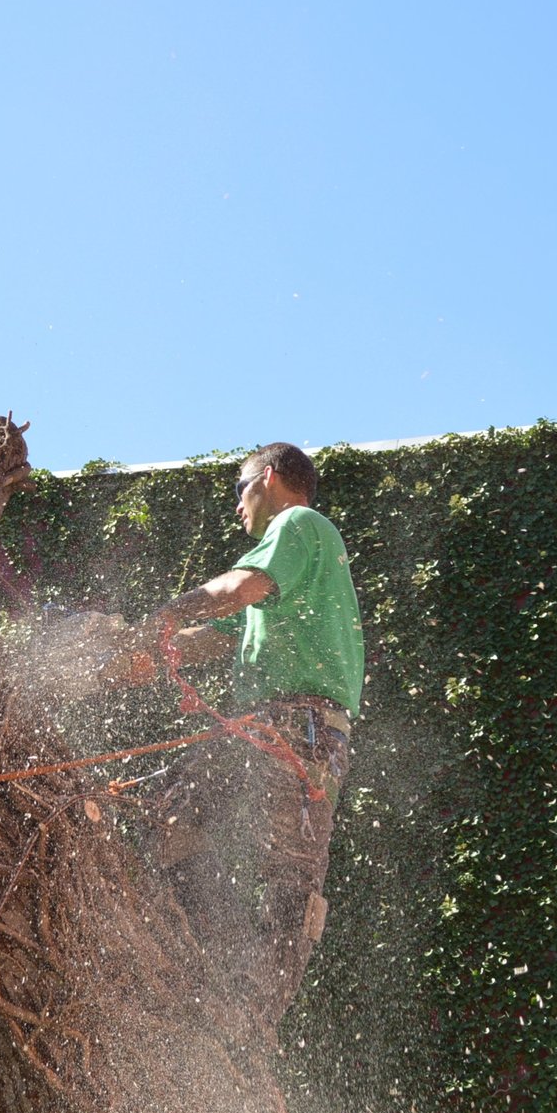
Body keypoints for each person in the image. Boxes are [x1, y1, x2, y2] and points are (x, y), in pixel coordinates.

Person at [109, 442, 364, 1034]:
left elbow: (238, 588)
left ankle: (251, 1018)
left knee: (290, 881)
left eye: (239, 490)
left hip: (302, 733)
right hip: (266, 727)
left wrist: (161, 616)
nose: (236, 510)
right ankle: (193, 957)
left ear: (268, 478)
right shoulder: (296, 578)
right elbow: (224, 637)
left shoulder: (300, 525)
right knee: (172, 808)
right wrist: (138, 654)